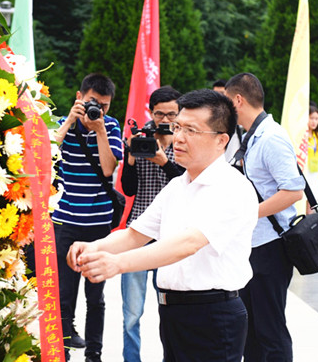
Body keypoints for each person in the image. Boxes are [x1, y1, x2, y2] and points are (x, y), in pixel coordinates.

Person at [67, 90, 259, 362]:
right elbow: (135, 235)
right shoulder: (177, 186)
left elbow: (188, 244)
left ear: (221, 140)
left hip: (213, 315)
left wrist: (118, 264)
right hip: (172, 312)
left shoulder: (233, 188)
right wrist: (93, 247)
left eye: (191, 130)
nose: (178, 137)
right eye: (178, 127)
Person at [224, 72, 304, 362]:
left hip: (271, 247)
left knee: (270, 331)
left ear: (238, 100)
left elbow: (293, 192)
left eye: (226, 103)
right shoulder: (253, 136)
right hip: (254, 245)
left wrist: (247, 214)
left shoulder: (271, 138)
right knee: (250, 332)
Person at [52, 73, 123, 362]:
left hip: (98, 223)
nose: (99, 110)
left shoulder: (111, 126)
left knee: (96, 297)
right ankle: (63, 352)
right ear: (79, 97)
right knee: (63, 294)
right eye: (94, 103)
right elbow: (46, 155)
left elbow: (108, 169)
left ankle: (94, 353)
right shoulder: (62, 124)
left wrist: (100, 130)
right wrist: (70, 120)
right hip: (66, 220)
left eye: (104, 106)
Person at [119, 86, 184, 362]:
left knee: (171, 311)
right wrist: (131, 158)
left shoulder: (185, 141)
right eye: (159, 114)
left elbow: (188, 186)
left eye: (171, 114)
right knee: (132, 313)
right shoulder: (140, 139)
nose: (165, 119)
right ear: (151, 112)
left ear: (179, 112)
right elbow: (128, 189)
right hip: (139, 233)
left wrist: (163, 161)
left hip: (171, 235)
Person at [213, 79, 243, 166]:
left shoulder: (237, 117)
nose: (219, 97)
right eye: (216, 94)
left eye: (222, 94)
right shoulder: (209, 119)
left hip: (235, 164)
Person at [305, 104, 318, 212]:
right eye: (312, 118)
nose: (314, 121)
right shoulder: (302, 136)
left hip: (313, 175)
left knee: (310, 208)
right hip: (303, 173)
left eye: (317, 119)